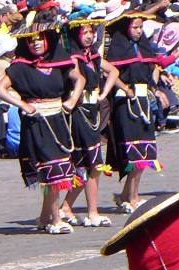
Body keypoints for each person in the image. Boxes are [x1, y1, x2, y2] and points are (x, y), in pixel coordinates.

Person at [0, 15, 85, 235]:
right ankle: (55, 219)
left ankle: (45, 217)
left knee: (60, 168)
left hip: (59, 120)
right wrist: (23, 105)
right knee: (51, 169)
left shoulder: (59, 62)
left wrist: (72, 100)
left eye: (40, 38)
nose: (35, 43)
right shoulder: (20, 66)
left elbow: (79, 79)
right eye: (31, 39)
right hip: (36, 124)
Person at [60, 12, 119, 227]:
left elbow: (113, 71)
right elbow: (78, 79)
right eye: (84, 32)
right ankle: (92, 212)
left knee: (89, 163)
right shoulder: (72, 56)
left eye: (91, 32)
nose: (88, 36)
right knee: (92, 163)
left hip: (93, 109)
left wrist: (104, 93)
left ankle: (67, 206)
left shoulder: (93, 55)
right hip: (79, 112)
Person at [105, 10, 168, 213]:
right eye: (135, 27)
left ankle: (127, 194)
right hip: (126, 104)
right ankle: (132, 197)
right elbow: (112, 75)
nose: (139, 31)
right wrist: (125, 89)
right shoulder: (118, 48)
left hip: (143, 101)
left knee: (145, 149)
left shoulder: (143, 46)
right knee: (134, 151)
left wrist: (155, 90)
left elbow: (151, 69)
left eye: (141, 27)